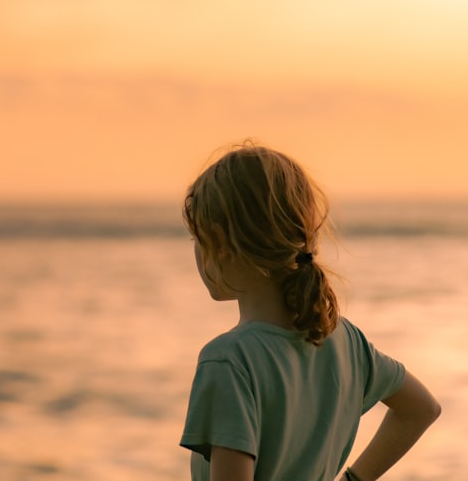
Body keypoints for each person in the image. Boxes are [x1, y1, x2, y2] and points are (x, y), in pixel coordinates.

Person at [179, 142, 440, 481]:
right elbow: (421, 409)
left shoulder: (229, 361)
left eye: (196, 239)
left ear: (222, 244)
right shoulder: (345, 339)